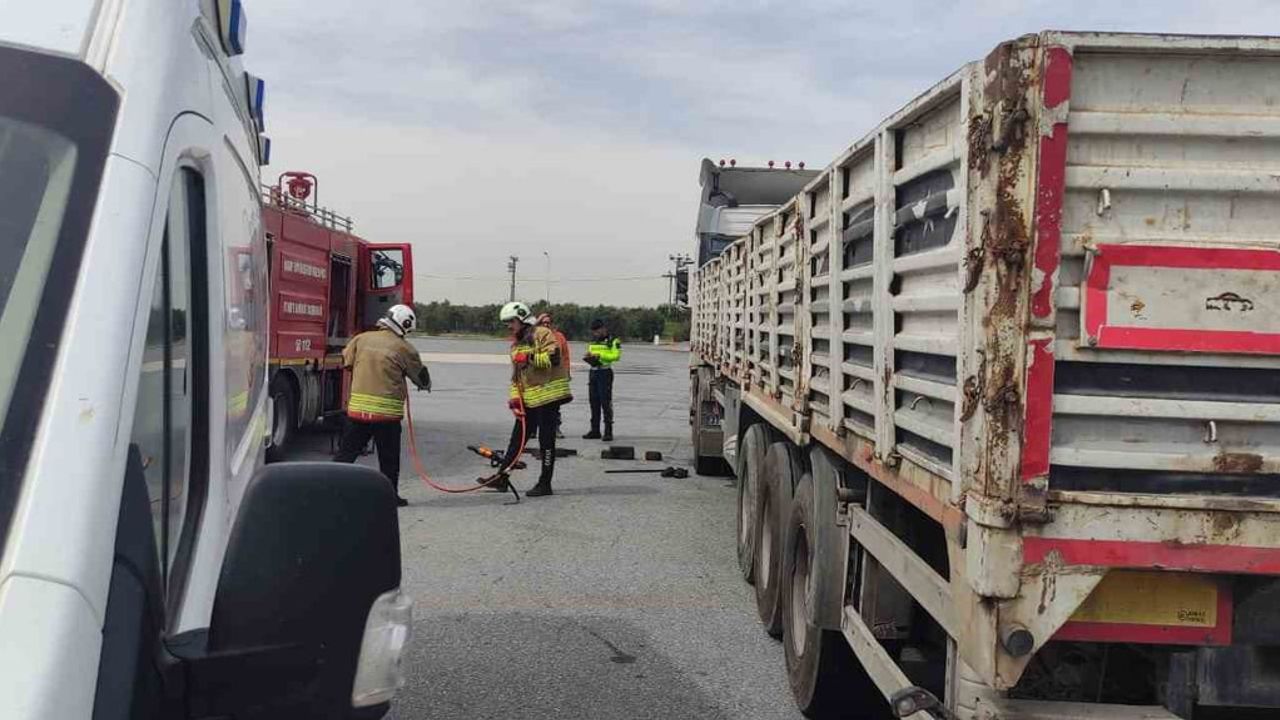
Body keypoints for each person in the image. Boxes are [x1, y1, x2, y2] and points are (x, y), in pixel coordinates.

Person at [334, 304, 431, 507]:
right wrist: (424, 382)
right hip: (386, 416)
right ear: (405, 325)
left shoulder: (361, 339)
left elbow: (346, 361)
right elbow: (421, 379)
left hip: (358, 411)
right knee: (389, 460)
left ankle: (329, 489)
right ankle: (389, 497)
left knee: (346, 454)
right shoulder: (405, 348)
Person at [496, 301, 572, 497]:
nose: (509, 327)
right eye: (506, 323)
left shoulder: (543, 334)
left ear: (522, 318)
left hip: (548, 397)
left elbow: (553, 359)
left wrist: (529, 358)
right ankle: (501, 478)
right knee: (517, 439)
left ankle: (545, 483)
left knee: (546, 441)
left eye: (511, 322)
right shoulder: (515, 345)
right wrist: (514, 400)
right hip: (529, 399)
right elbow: (516, 377)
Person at [582, 318, 621, 442]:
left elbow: (616, 356)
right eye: (594, 332)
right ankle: (595, 430)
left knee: (605, 401)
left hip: (605, 372)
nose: (596, 334)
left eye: (597, 331)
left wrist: (601, 356)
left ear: (603, 328)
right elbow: (590, 352)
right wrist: (589, 356)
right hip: (593, 371)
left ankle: (608, 431)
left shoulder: (613, 341)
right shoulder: (593, 342)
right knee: (593, 401)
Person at [538, 312, 570, 439]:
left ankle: (556, 428)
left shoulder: (559, 337)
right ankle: (535, 429)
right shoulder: (535, 336)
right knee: (538, 402)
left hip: (556, 375)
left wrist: (567, 372)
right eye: (543, 322)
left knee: (555, 404)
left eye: (548, 322)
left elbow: (566, 356)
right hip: (540, 374)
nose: (546, 324)